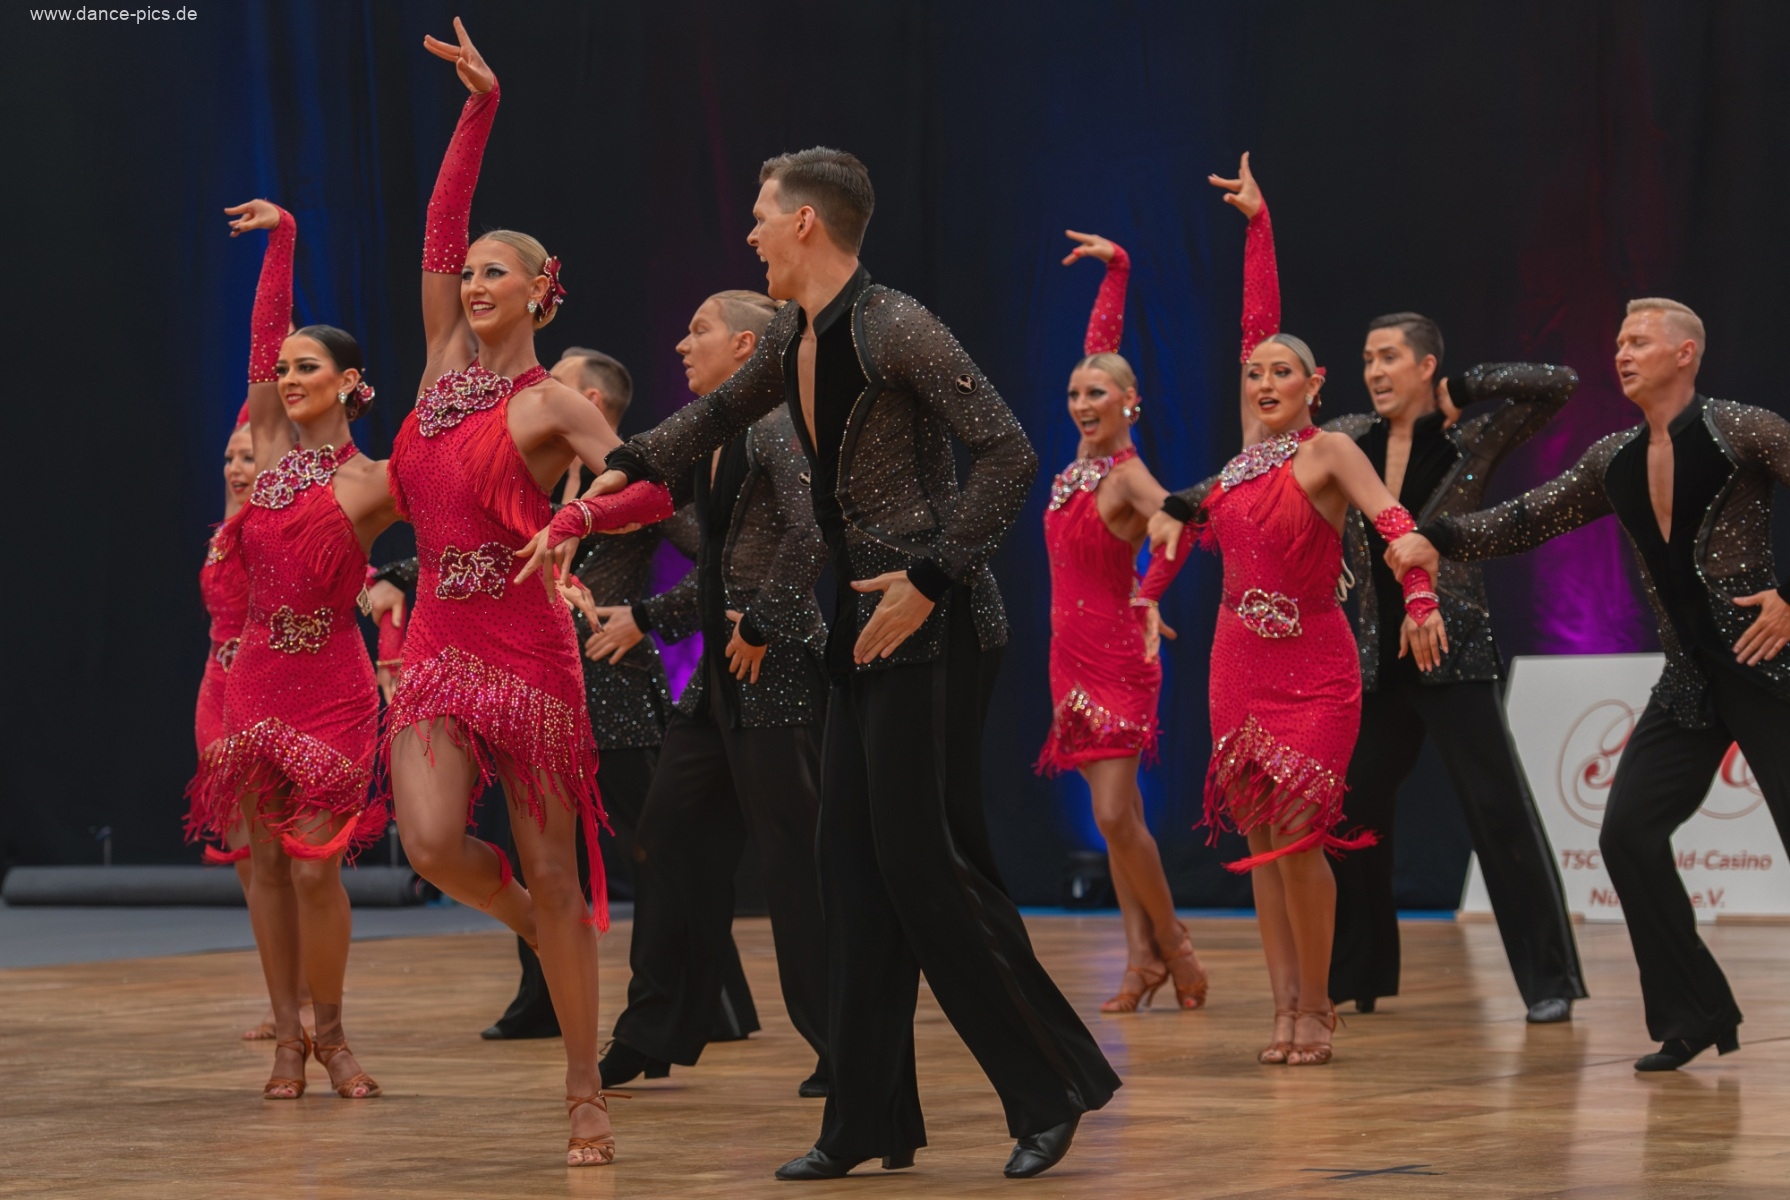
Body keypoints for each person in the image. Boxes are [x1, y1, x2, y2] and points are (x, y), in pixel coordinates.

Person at [537, 146, 1119, 1180]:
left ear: (805, 222)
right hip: (862, 628)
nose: (750, 232)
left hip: (933, 623)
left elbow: (1009, 452)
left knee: (924, 869)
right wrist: (610, 476)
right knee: (848, 874)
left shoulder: (895, 324)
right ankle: (865, 1121)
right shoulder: (794, 333)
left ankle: (1049, 1086)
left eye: (762, 215)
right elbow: (713, 415)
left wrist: (930, 578)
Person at [1200, 155, 1588, 1023]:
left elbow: (1556, 388)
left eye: (1389, 358)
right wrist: (1176, 511)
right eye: (1367, 359)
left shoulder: (1469, 438)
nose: (1375, 370)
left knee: (1497, 810)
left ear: (1425, 365)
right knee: (1347, 817)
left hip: (1448, 644)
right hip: (1370, 656)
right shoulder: (1345, 435)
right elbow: (1262, 427)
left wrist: (1466, 388)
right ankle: (1351, 979)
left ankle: (1550, 983)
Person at [381, 21, 663, 1167]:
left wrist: (576, 519)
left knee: (556, 870)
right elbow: (440, 228)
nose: (473, 282)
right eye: (471, 274)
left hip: (526, 644)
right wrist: (479, 107)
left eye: (497, 272)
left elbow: (648, 485)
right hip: (439, 638)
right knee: (431, 842)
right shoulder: (439, 367)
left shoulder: (551, 405)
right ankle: (529, 927)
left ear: (542, 291)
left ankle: (585, 1087)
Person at [1387, 298, 1790, 1071]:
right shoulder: (1615, 458)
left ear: (1685, 353)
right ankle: (1694, 1013)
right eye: (1618, 342)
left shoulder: (1743, 429)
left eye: (1639, 341)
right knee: (1627, 834)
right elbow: (1527, 518)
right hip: (1690, 682)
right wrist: (1435, 536)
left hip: (1767, 669)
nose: (1622, 353)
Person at [370, 349, 761, 1044]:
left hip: (609, 685)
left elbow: (713, 554)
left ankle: (708, 1005)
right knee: (538, 859)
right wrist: (400, 574)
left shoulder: (608, 469)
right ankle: (542, 997)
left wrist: (645, 616)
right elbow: (476, 536)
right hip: (514, 665)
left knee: (652, 848)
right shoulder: (527, 467)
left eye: (561, 376)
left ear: (590, 401)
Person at [1148, 204, 1447, 1065]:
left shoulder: (1330, 453)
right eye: (1255, 375)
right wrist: (1147, 595)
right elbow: (1254, 329)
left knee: (1301, 839)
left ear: (1315, 386)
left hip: (1315, 672)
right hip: (1236, 667)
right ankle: (1281, 1010)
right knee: (1263, 848)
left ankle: (1317, 1006)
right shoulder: (1242, 462)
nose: (1264, 382)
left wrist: (1421, 597)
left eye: (1282, 373)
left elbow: (1396, 526)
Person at [589, 290, 831, 1096]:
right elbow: (721, 567)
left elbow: (810, 531)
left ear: (748, 348)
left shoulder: (778, 426)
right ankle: (654, 1028)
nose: (682, 345)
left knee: (793, 862)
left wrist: (762, 621)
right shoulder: (720, 436)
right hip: (722, 673)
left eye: (700, 330)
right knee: (664, 837)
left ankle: (843, 1043)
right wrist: (650, 614)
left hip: (774, 664)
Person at [186, 200, 398, 1101]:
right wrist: (285, 238)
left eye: (307, 367)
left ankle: (335, 1034)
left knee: (317, 869)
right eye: (282, 369)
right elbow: (262, 333)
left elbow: (455, 521)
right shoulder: (269, 453)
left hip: (336, 687)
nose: (287, 377)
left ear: (350, 382)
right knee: (265, 868)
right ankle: (286, 1038)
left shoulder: (373, 481)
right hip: (257, 681)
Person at [1035, 231, 1208, 1014]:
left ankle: (1174, 943)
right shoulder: (1080, 467)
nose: (1083, 403)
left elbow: (1184, 521)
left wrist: (1150, 593)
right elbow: (1099, 351)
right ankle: (1140, 961)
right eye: (1075, 394)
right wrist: (1119, 272)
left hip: (1117, 657)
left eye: (1097, 394)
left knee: (1112, 812)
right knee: (1119, 820)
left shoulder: (1129, 475)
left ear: (1128, 402)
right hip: (1067, 657)